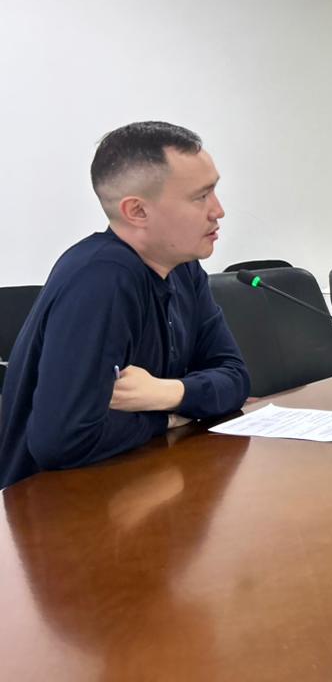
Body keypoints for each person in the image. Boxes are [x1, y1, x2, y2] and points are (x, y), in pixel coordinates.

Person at [0, 121, 251, 490]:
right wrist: (169, 417)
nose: (218, 210)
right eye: (200, 197)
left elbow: (235, 377)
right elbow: (63, 441)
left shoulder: (185, 269)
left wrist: (166, 393)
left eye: (214, 190)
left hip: (142, 476)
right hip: (54, 502)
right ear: (137, 211)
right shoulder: (101, 279)